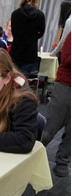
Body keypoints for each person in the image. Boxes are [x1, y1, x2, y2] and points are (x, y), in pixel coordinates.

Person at [41, 32, 71, 177]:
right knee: (50, 127)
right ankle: (32, 154)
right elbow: (65, 60)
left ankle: (63, 161)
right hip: (65, 85)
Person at [10, 0, 45, 77]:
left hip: (15, 52)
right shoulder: (40, 15)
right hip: (30, 54)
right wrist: (33, 36)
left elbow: (14, 32)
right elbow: (41, 33)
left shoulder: (15, 14)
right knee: (23, 82)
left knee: (11, 81)